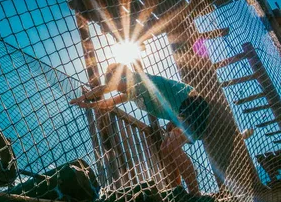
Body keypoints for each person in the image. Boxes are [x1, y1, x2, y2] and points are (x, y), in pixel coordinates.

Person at [70, 63, 209, 194]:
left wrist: (84, 96)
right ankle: (177, 193)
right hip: (182, 113)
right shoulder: (132, 94)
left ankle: (195, 194)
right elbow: (108, 102)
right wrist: (87, 104)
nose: (119, 89)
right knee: (165, 150)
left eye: (118, 84)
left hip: (192, 103)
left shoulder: (138, 79)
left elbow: (106, 88)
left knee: (172, 145)